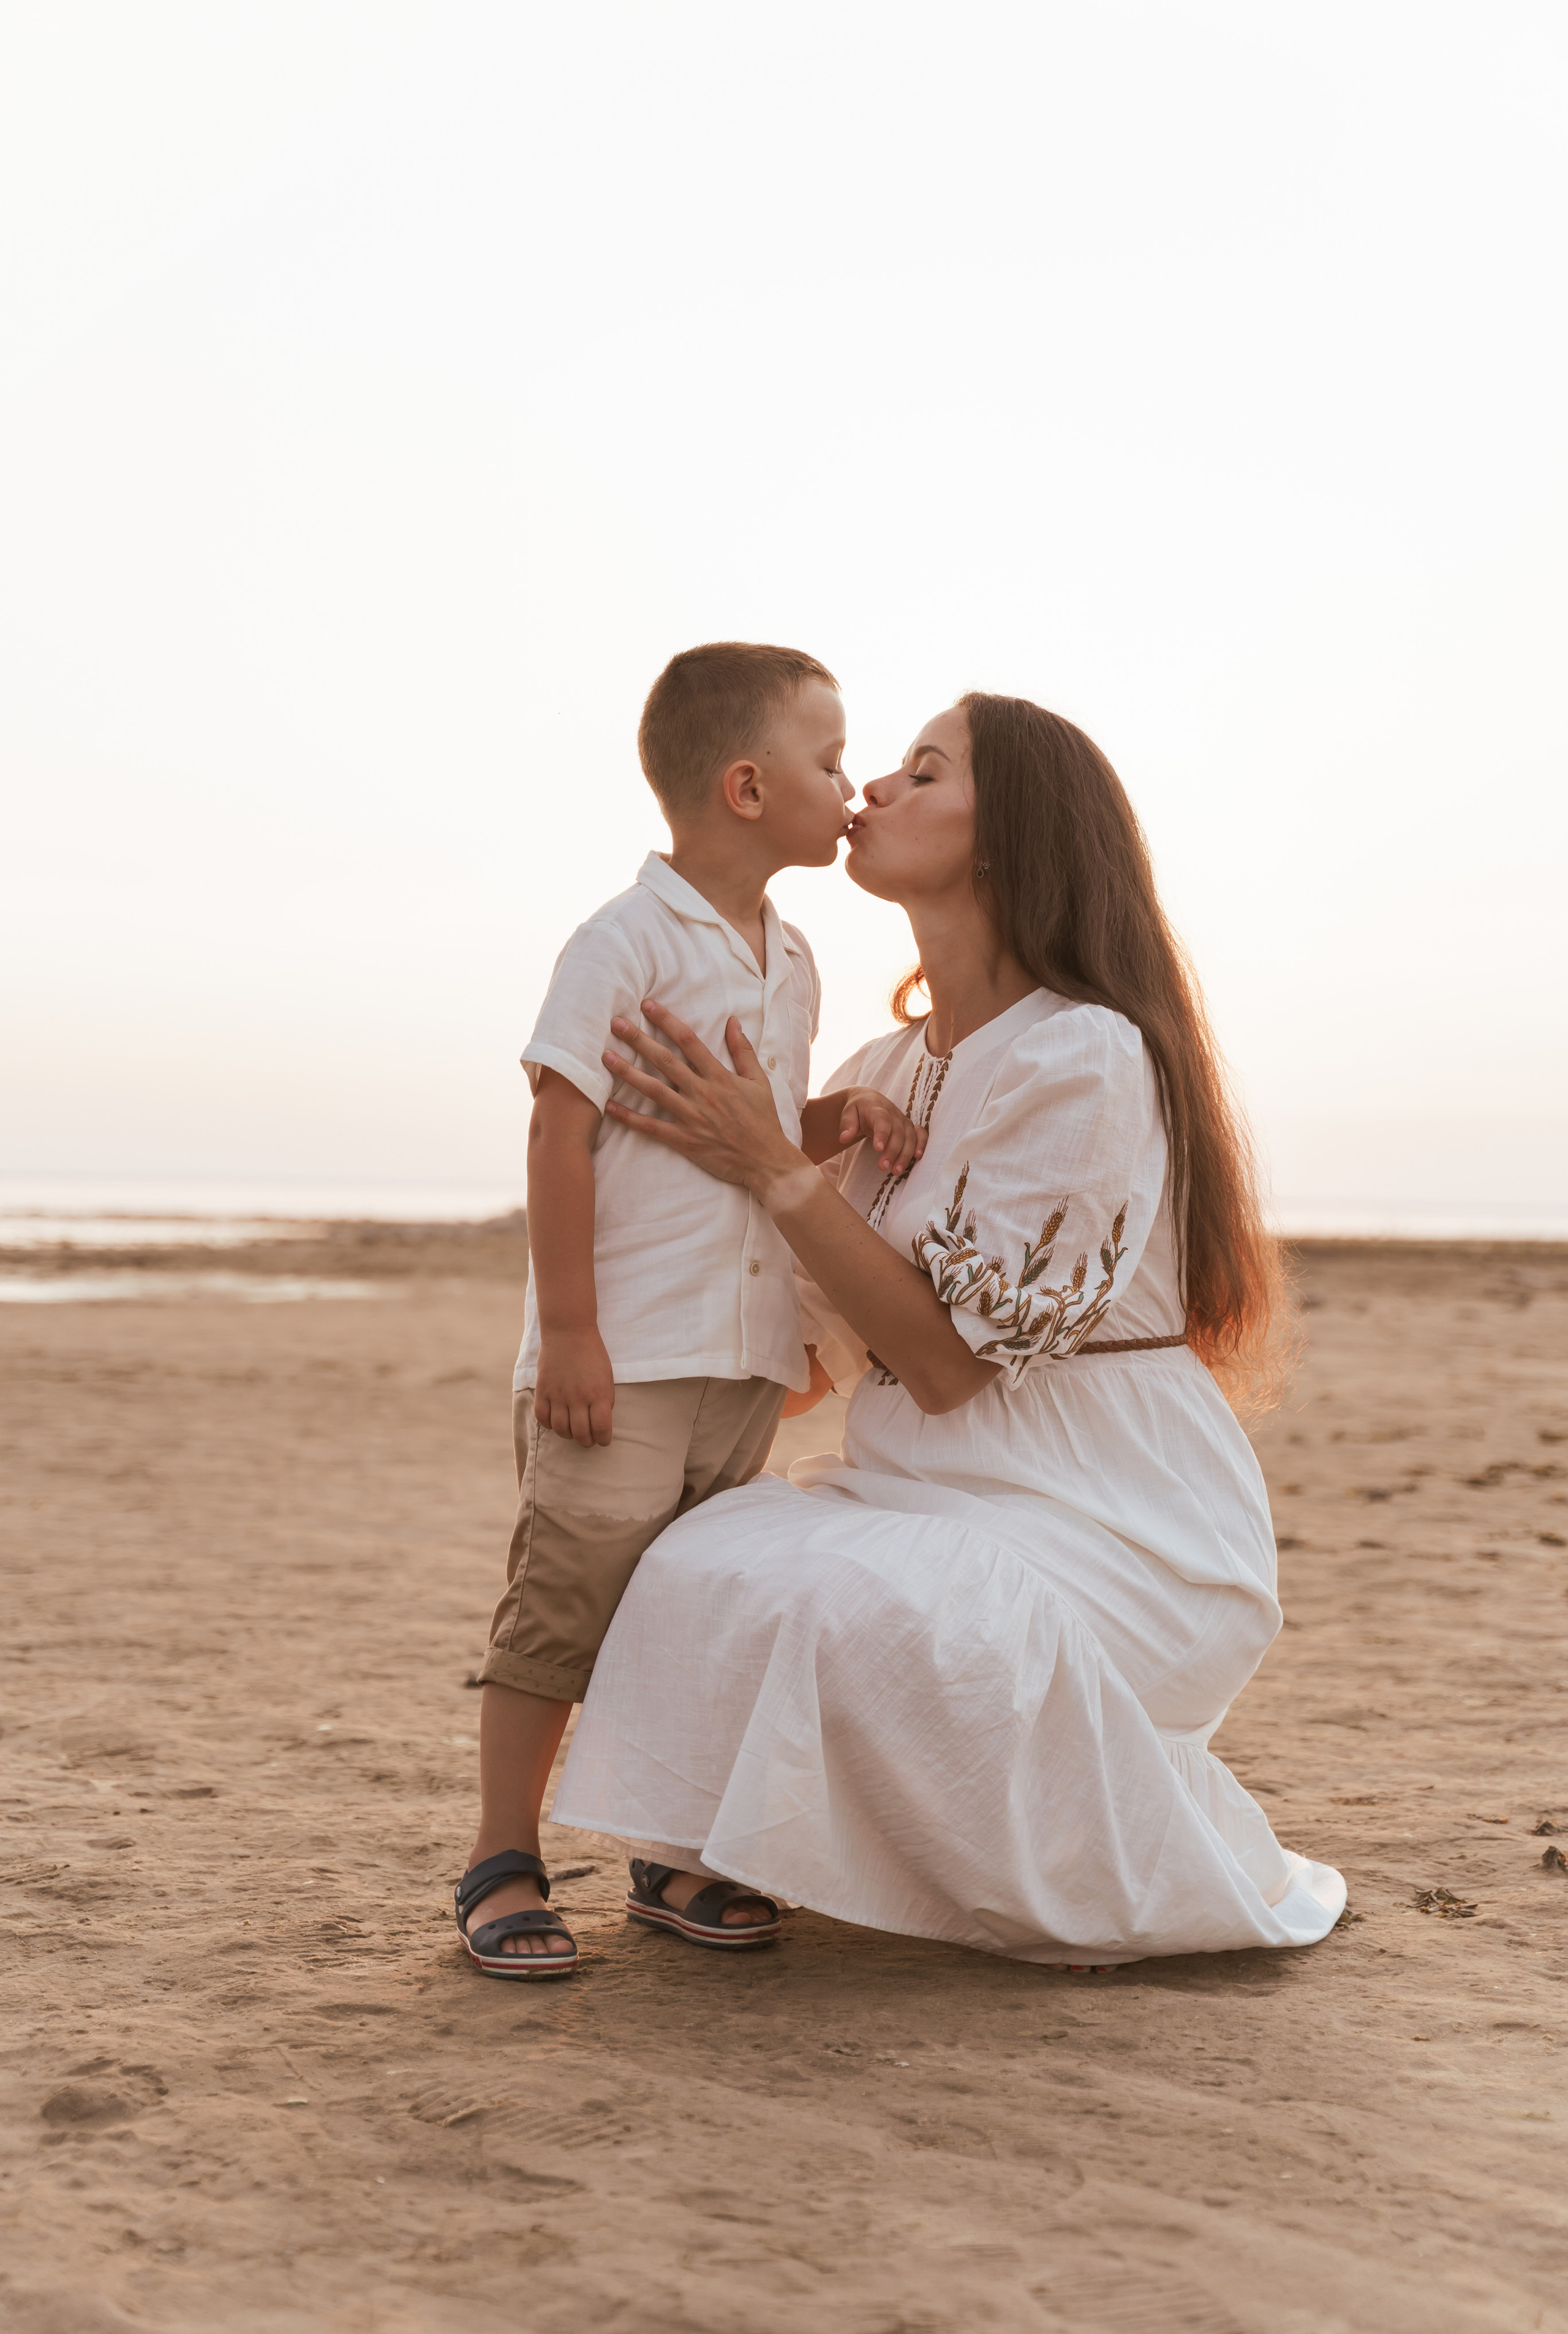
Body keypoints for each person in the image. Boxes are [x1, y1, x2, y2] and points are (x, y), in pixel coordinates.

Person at [551, 691, 1346, 1970]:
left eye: (921, 773)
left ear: (1005, 839)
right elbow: (818, 1348)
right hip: (917, 1494)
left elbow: (938, 1360)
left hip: (1110, 1529)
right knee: (696, 1557)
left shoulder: (1082, 1055)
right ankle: (695, 1857)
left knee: (841, 1609)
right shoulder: (887, 1060)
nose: (868, 789)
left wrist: (770, 1162)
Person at [456, 643, 926, 1977]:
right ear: (742, 785)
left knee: (687, 1605)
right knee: (564, 1606)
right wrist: (575, 1335)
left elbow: (759, 1133)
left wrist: (842, 1118)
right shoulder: (619, 941)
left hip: (738, 1358)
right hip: (627, 1352)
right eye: (829, 761)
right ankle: (501, 1857)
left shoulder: (792, 959)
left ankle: (664, 1860)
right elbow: (560, 1134)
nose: (850, 786)